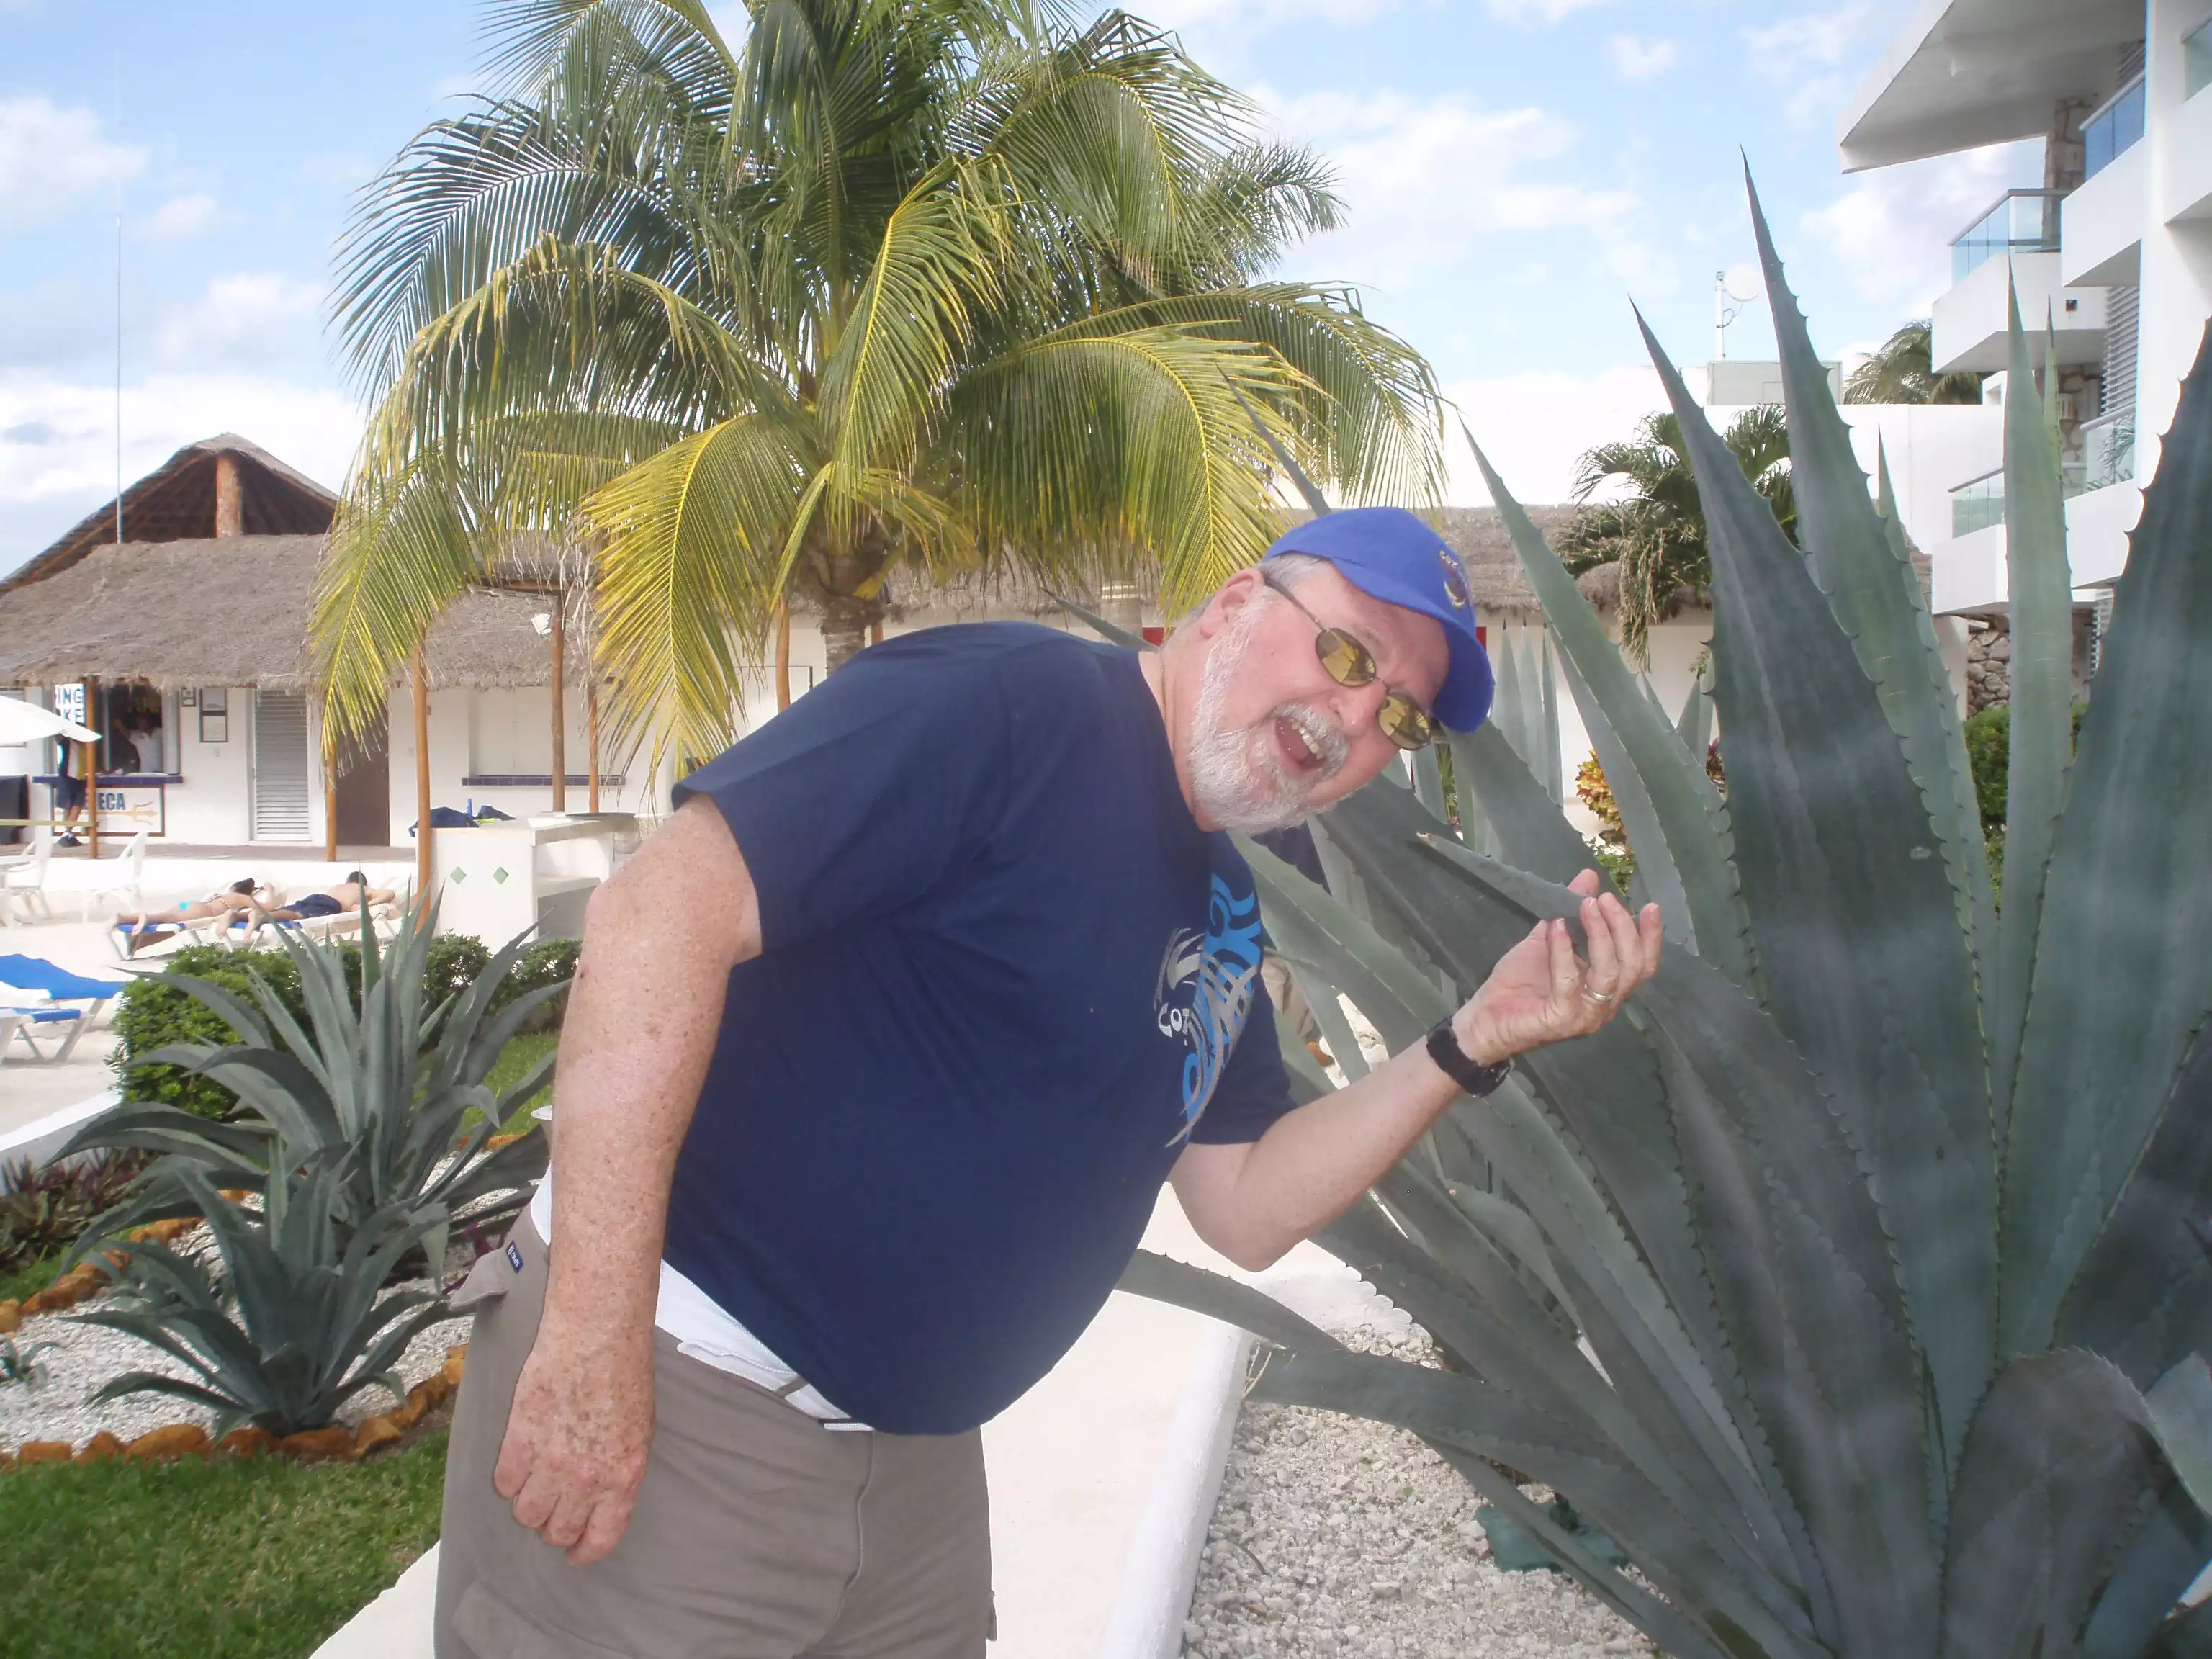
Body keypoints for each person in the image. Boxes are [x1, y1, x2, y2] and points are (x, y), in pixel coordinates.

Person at [433, 508, 1665, 1659]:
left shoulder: (1233, 894)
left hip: (912, 1474)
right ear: (1237, 602)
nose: (1354, 714)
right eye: (1347, 652)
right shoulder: (1008, 705)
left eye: (1400, 715)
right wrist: (590, 1337)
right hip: (682, 1394)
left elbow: (1242, 1202)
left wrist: (1471, 1037)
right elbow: (656, 912)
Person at [115, 878, 269, 952]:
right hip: (202, 910)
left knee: (169, 923)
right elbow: (265, 908)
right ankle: (138, 917)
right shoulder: (241, 898)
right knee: (169, 920)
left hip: (188, 904)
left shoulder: (224, 894)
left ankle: (136, 945)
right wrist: (269, 891)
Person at [253, 871, 397, 922]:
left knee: (290, 908)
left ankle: (248, 916)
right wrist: (363, 905)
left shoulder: (337, 886)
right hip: (332, 904)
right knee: (297, 915)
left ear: (347, 881)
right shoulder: (362, 889)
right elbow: (389, 893)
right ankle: (262, 918)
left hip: (316, 897)